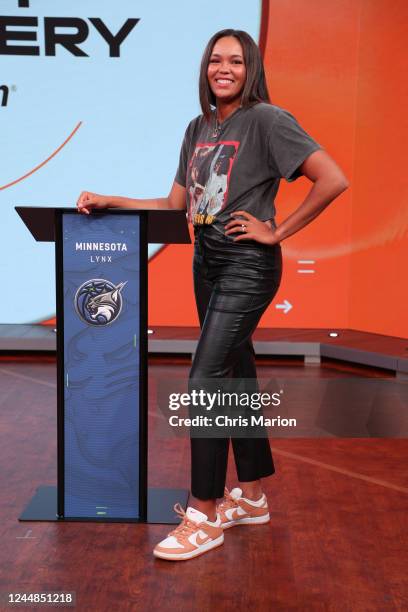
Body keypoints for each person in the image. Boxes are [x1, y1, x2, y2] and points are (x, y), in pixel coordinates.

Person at [76, 28, 349, 561]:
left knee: (205, 379)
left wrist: (277, 230)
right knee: (236, 373)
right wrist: (111, 199)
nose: (224, 69)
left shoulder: (268, 120)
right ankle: (250, 496)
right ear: (206, 68)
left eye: (236, 61)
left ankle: (203, 513)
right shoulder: (198, 127)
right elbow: (176, 202)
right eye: (216, 61)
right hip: (208, 262)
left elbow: (332, 178)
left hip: (248, 263)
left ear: (251, 69)